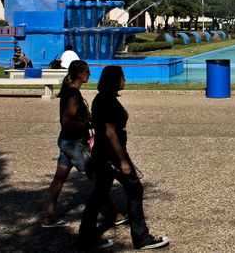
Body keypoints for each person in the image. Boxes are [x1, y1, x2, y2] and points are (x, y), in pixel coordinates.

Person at [79, 66, 170, 250]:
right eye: (122, 77)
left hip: (102, 153)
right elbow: (110, 132)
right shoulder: (107, 101)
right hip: (112, 154)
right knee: (135, 190)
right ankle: (141, 237)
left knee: (99, 195)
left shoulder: (101, 99)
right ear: (114, 80)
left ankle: (86, 237)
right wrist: (122, 160)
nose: (125, 81)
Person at [42, 60, 126, 229]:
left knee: (59, 180)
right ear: (79, 74)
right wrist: (89, 125)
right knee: (98, 179)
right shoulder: (73, 94)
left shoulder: (70, 91)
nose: (89, 74)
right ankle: (116, 214)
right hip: (75, 143)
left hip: (66, 141)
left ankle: (49, 217)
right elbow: (66, 121)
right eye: (87, 72)